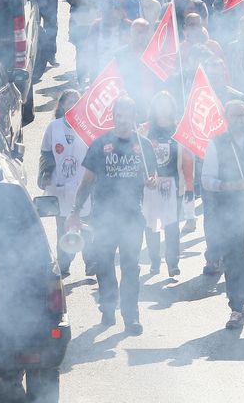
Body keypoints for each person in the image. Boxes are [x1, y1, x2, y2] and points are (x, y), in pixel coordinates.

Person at [68, 96, 155, 334]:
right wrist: (75, 212)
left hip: (131, 218)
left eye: (127, 114)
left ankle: (131, 317)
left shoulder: (144, 145)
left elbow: (153, 177)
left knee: (131, 267)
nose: (123, 119)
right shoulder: (100, 144)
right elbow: (87, 181)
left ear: (134, 116)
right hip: (103, 217)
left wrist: (153, 182)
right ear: (114, 116)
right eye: (119, 114)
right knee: (104, 264)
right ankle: (107, 310)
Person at [200, 99, 244, 329]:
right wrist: (231, 185)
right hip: (228, 211)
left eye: (243, 115)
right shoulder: (216, 143)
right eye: (235, 116)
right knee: (233, 259)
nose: (240, 120)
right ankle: (235, 307)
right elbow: (206, 180)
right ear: (227, 118)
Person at [38, 89, 90, 277]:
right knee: (63, 227)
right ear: (62, 105)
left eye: (77, 102)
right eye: (70, 102)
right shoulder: (54, 127)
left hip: (83, 185)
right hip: (60, 186)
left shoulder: (88, 128)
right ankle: (65, 263)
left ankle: (90, 262)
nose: (74, 105)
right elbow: (45, 152)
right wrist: (45, 173)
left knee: (85, 223)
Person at [143, 91, 189, 278]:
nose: (163, 107)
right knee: (151, 224)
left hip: (173, 183)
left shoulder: (179, 130)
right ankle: (154, 262)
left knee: (172, 225)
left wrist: (187, 184)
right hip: (151, 184)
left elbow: (187, 159)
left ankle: (173, 263)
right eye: (159, 103)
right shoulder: (145, 130)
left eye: (167, 103)